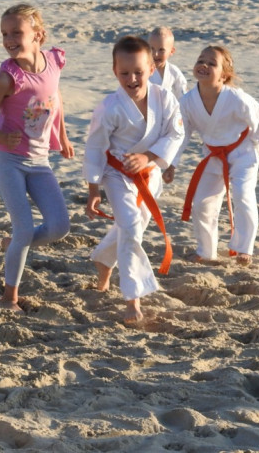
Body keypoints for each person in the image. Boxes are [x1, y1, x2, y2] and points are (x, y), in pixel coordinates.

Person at [0, 4, 72, 312]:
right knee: (24, 228)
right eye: (5, 34)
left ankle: (14, 243)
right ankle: (9, 298)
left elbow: (55, 97)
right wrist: (3, 138)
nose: (9, 39)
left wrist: (63, 136)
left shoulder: (53, 61)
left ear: (38, 35)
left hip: (40, 161)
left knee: (59, 227)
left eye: (16, 32)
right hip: (9, 161)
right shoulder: (7, 79)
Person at [84, 35, 184, 325]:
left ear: (151, 69)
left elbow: (176, 133)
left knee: (133, 226)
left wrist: (149, 157)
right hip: (117, 174)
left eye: (138, 72)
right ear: (115, 71)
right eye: (124, 73)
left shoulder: (165, 98)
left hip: (149, 174)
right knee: (130, 227)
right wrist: (93, 189)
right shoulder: (109, 107)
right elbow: (95, 148)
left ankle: (103, 259)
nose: (132, 79)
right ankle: (133, 298)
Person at [167, 45, 259, 268]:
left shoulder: (236, 98)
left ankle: (244, 248)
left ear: (224, 75)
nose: (204, 65)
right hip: (213, 155)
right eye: (201, 60)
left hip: (243, 152)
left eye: (212, 63)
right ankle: (206, 251)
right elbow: (181, 134)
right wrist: (172, 163)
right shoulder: (187, 101)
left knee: (243, 195)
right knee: (202, 202)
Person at [148, 26, 187, 101]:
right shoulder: (143, 71)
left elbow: (183, 95)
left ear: (171, 51)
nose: (155, 54)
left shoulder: (173, 71)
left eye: (161, 50)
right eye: (152, 49)